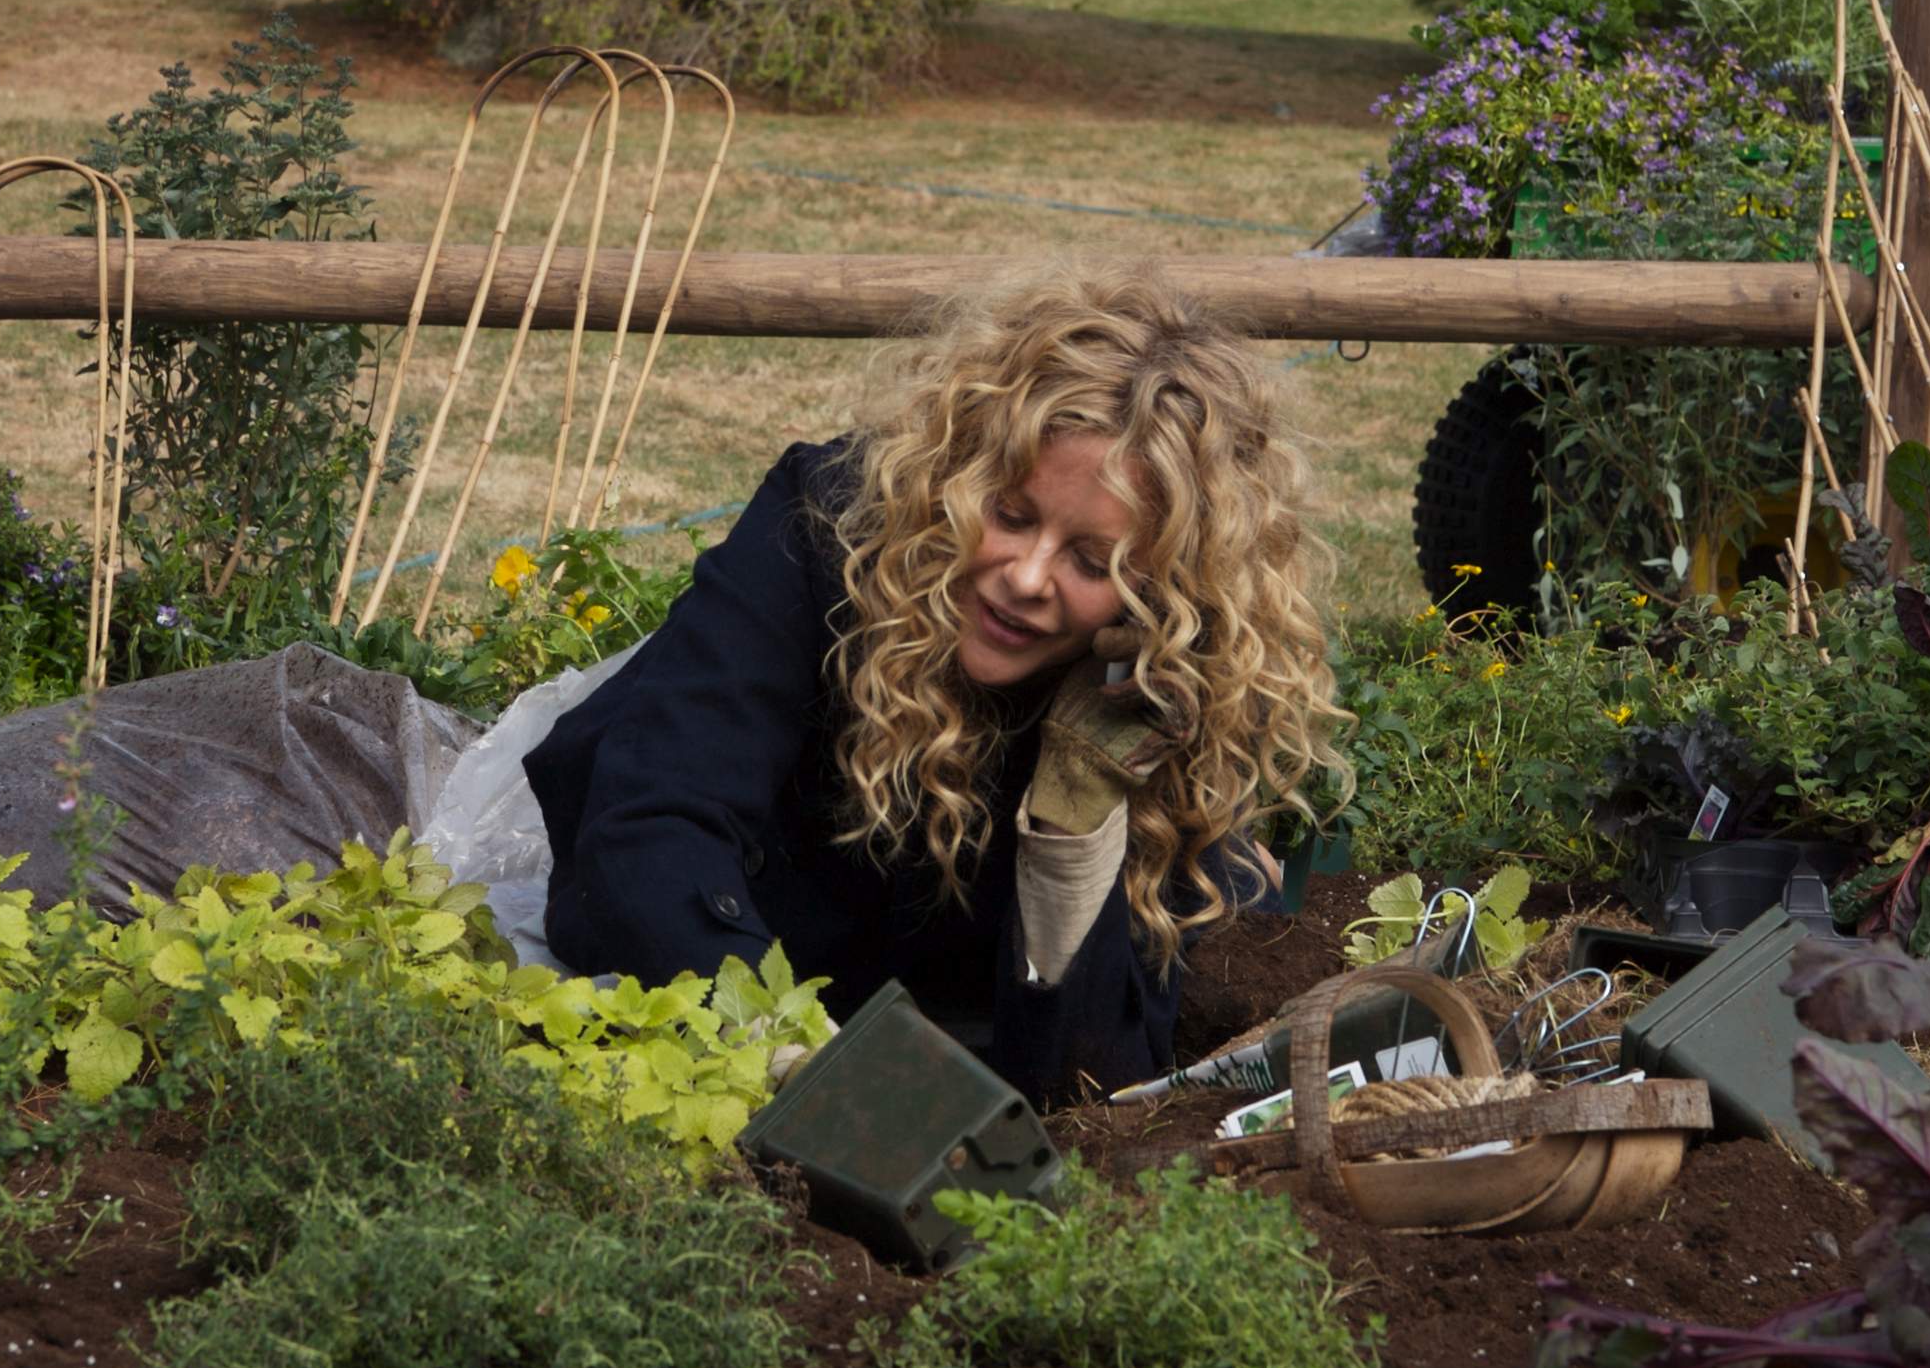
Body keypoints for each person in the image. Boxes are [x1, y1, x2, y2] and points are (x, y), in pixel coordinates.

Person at [524, 268, 1337, 1104]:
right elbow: (648, 828)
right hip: (747, 950)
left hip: (945, 995)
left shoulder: (1157, 686)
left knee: (1231, 891)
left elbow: (1096, 1081)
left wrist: (1077, 819)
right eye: (1011, 515)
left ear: (1162, 592)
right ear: (955, 477)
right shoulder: (828, 525)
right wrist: (797, 1060)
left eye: (1092, 562)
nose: (1024, 577)